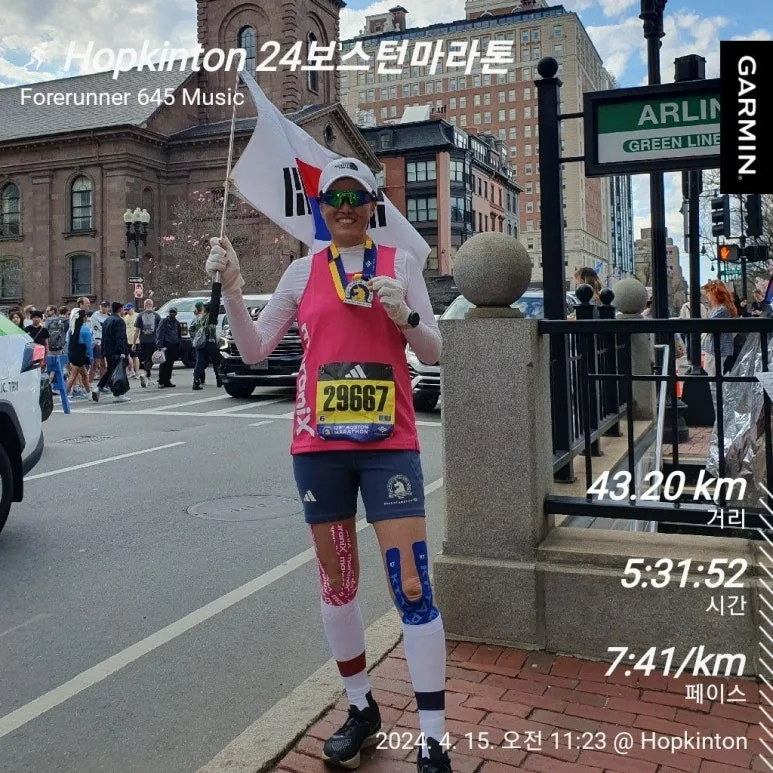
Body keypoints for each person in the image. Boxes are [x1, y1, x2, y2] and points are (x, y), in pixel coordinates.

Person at [206, 157, 449, 773]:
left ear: (372, 206)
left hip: (389, 446)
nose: (344, 207)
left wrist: (406, 316)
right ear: (321, 207)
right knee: (338, 584)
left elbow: (434, 353)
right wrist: (233, 287)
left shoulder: (401, 264)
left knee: (412, 585)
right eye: (333, 197)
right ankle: (360, 707)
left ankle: (432, 738)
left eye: (355, 197)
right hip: (320, 450)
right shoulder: (301, 271)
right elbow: (254, 350)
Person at [92, 302, 130, 402]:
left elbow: (104, 337)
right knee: (119, 372)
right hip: (117, 351)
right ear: (120, 309)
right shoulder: (119, 321)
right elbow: (120, 338)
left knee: (111, 370)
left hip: (108, 350)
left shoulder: (107, 320)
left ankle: (99, 387)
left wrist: (104, 352)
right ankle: (118, 394)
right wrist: (122, 352)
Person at [190, 302, 222, 390]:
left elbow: (191, 328)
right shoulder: (210, 316)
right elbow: (211, 328)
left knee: (200, 362)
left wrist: (195, 339)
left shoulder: (198, 317)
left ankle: (196, 381)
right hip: (209, 342)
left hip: (200, 342)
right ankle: (219, 379)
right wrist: (211, 338)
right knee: (215, 361)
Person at [65, 309, 93, 399]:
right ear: (84, 318)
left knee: (83, 374)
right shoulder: (85, 330)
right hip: (81, 354)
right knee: (73, 375)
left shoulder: (71, 329)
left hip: (73, 353)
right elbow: (89, 345)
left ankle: (89, 394)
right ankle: (64, 395)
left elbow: (68, 343)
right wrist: (91, 356)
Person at [133, 298, 161, 387]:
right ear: (152, 305)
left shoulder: (140, 315)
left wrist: (134, 343)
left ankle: (148, 379)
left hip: (143, 340)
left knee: (146, 359)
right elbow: (160, 330)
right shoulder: (157, 315)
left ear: (144, 305)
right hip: (153, 340)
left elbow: (136, 331)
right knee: (152, 359)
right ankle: (145, 374)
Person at [155, 307, 181, 388]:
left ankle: (167, 380)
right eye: (171, 312)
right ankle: (161, 381)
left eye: (174, 312)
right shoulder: (164, 321)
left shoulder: (177, 322)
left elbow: (179, 334)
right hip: (166, 344)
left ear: (176, 313)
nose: (172, 313)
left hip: (174, 345)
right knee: (164, 363)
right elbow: (159, 332)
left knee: (170, 364)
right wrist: (159, 345)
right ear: (169, 312)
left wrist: (179, 342)